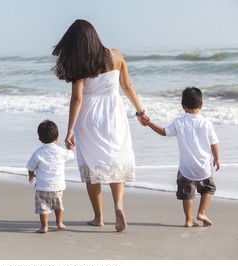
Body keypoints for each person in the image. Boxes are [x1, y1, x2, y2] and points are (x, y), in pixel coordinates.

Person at [52, 19, 148, 232]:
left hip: (89, 116)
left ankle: (98, 217)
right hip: (115, 113)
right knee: (116, 160)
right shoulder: (116, 55)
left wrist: (69, 130)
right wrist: (141, 111)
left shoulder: (81, 65)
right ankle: (119, 207)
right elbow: (127, 86)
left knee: (92, 165)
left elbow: (77, 100)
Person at [145, 87, 220, 227]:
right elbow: (213, 142)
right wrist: (216, 158)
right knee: (208, 189)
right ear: (201, 105)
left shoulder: (179, 123)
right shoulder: (206, 123)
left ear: (182, 106)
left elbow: (163, 132)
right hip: (204, 167)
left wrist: (149, 123)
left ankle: (189, 220)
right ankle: (202, 212)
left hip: (186, 168)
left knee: (187, 193)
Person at [26, 120, 74, 233]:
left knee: (43, 208)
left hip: (42, 187)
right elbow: (71, 155)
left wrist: (31, 176)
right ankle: (59, 223)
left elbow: (30, 167)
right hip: (57, 186)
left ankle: (44, 226)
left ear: (40, 139)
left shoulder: (38, 152)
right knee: (58, 206)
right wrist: (70, 146)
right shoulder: (61, 152)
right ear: (57, 136)